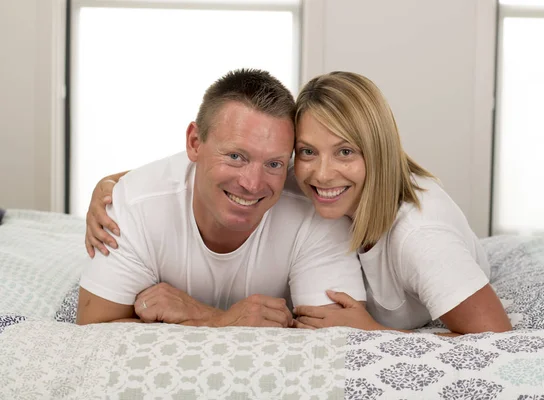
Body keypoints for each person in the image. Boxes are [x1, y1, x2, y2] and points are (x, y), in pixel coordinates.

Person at [85, 71, 511, 335]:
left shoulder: (420, 238)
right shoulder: (296, 183)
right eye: (307, 152)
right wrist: (114, 187)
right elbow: (207, 175)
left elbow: (494, 340)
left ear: (376, 151)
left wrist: (378, 333)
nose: (321, 174)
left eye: (346, 151)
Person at [76, 69, 367, 327]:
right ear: (194, 143)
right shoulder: (134, 204)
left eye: (274, 164)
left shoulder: (316, 208)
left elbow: (333, 343)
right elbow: (94, 331)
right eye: (236, 156)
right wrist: (221, 321)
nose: (252, 185)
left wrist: (205, 317)